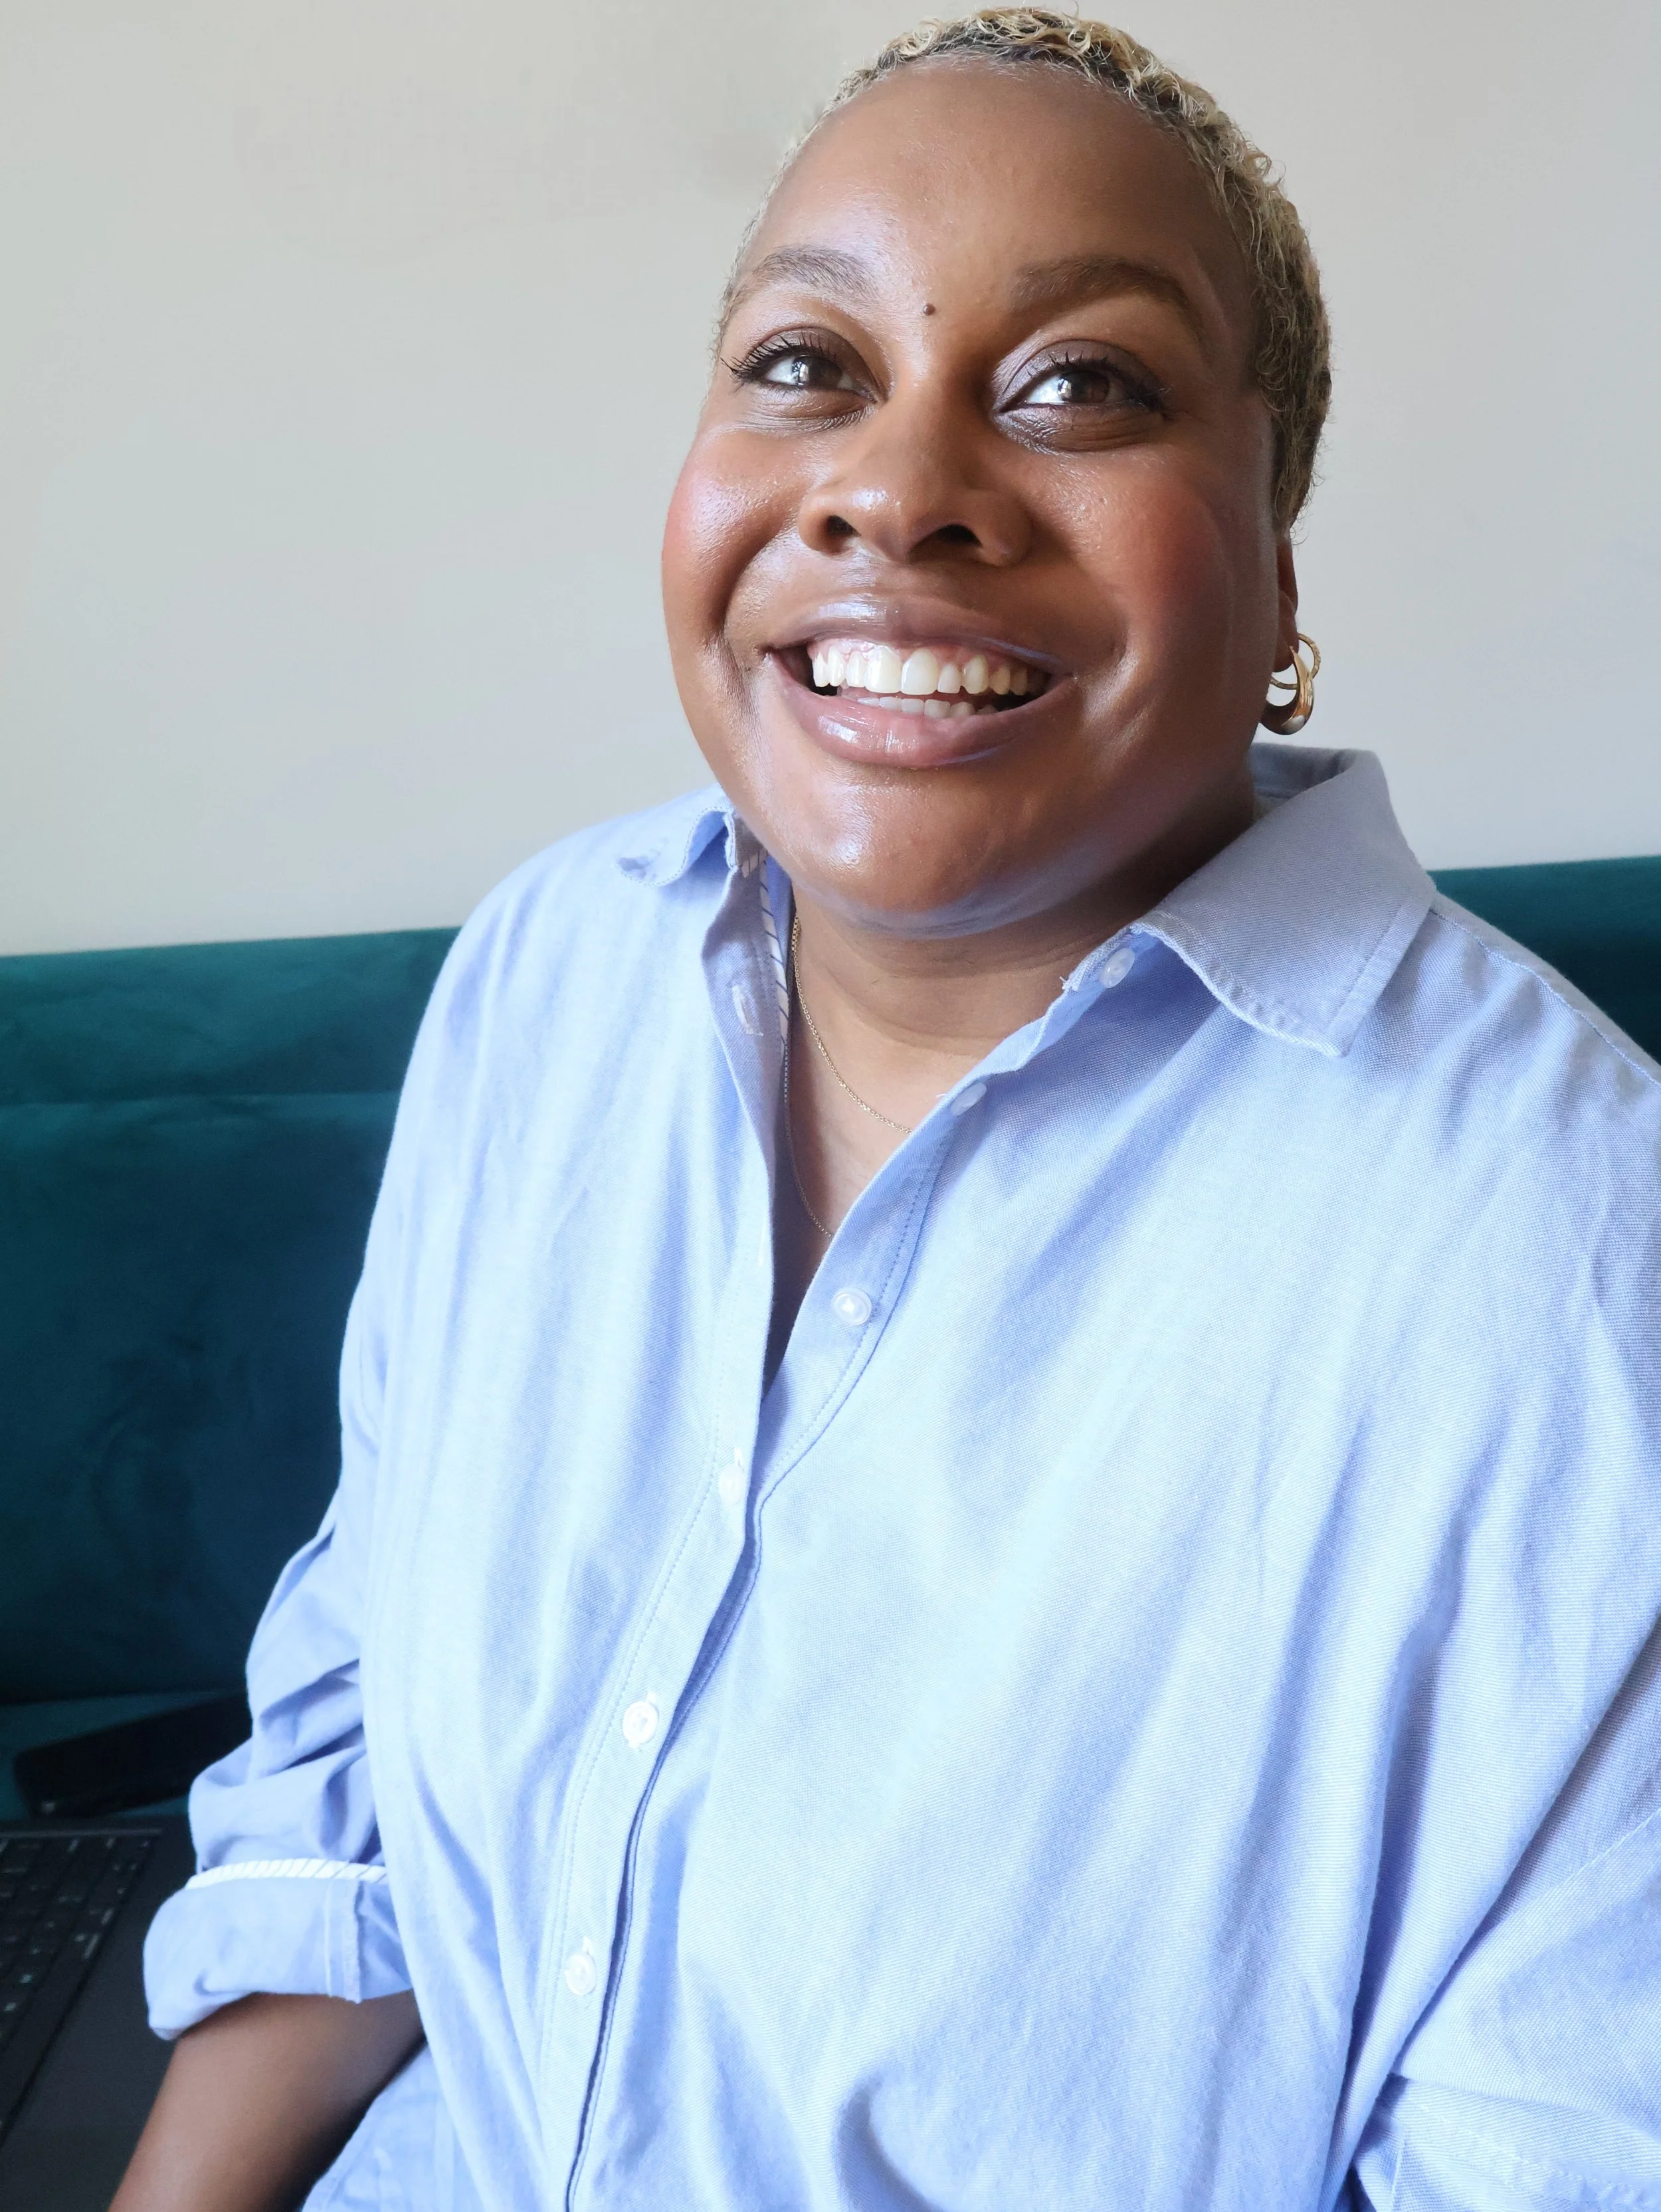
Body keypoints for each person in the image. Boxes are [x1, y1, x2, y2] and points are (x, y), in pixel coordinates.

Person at [114, 11, 1661, 2210]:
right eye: (804, 365)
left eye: (1082, 385)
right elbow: (359, 1750)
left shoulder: (1574, 1277)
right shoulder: (548, 980)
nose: (890, 485)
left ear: (1280, 574)